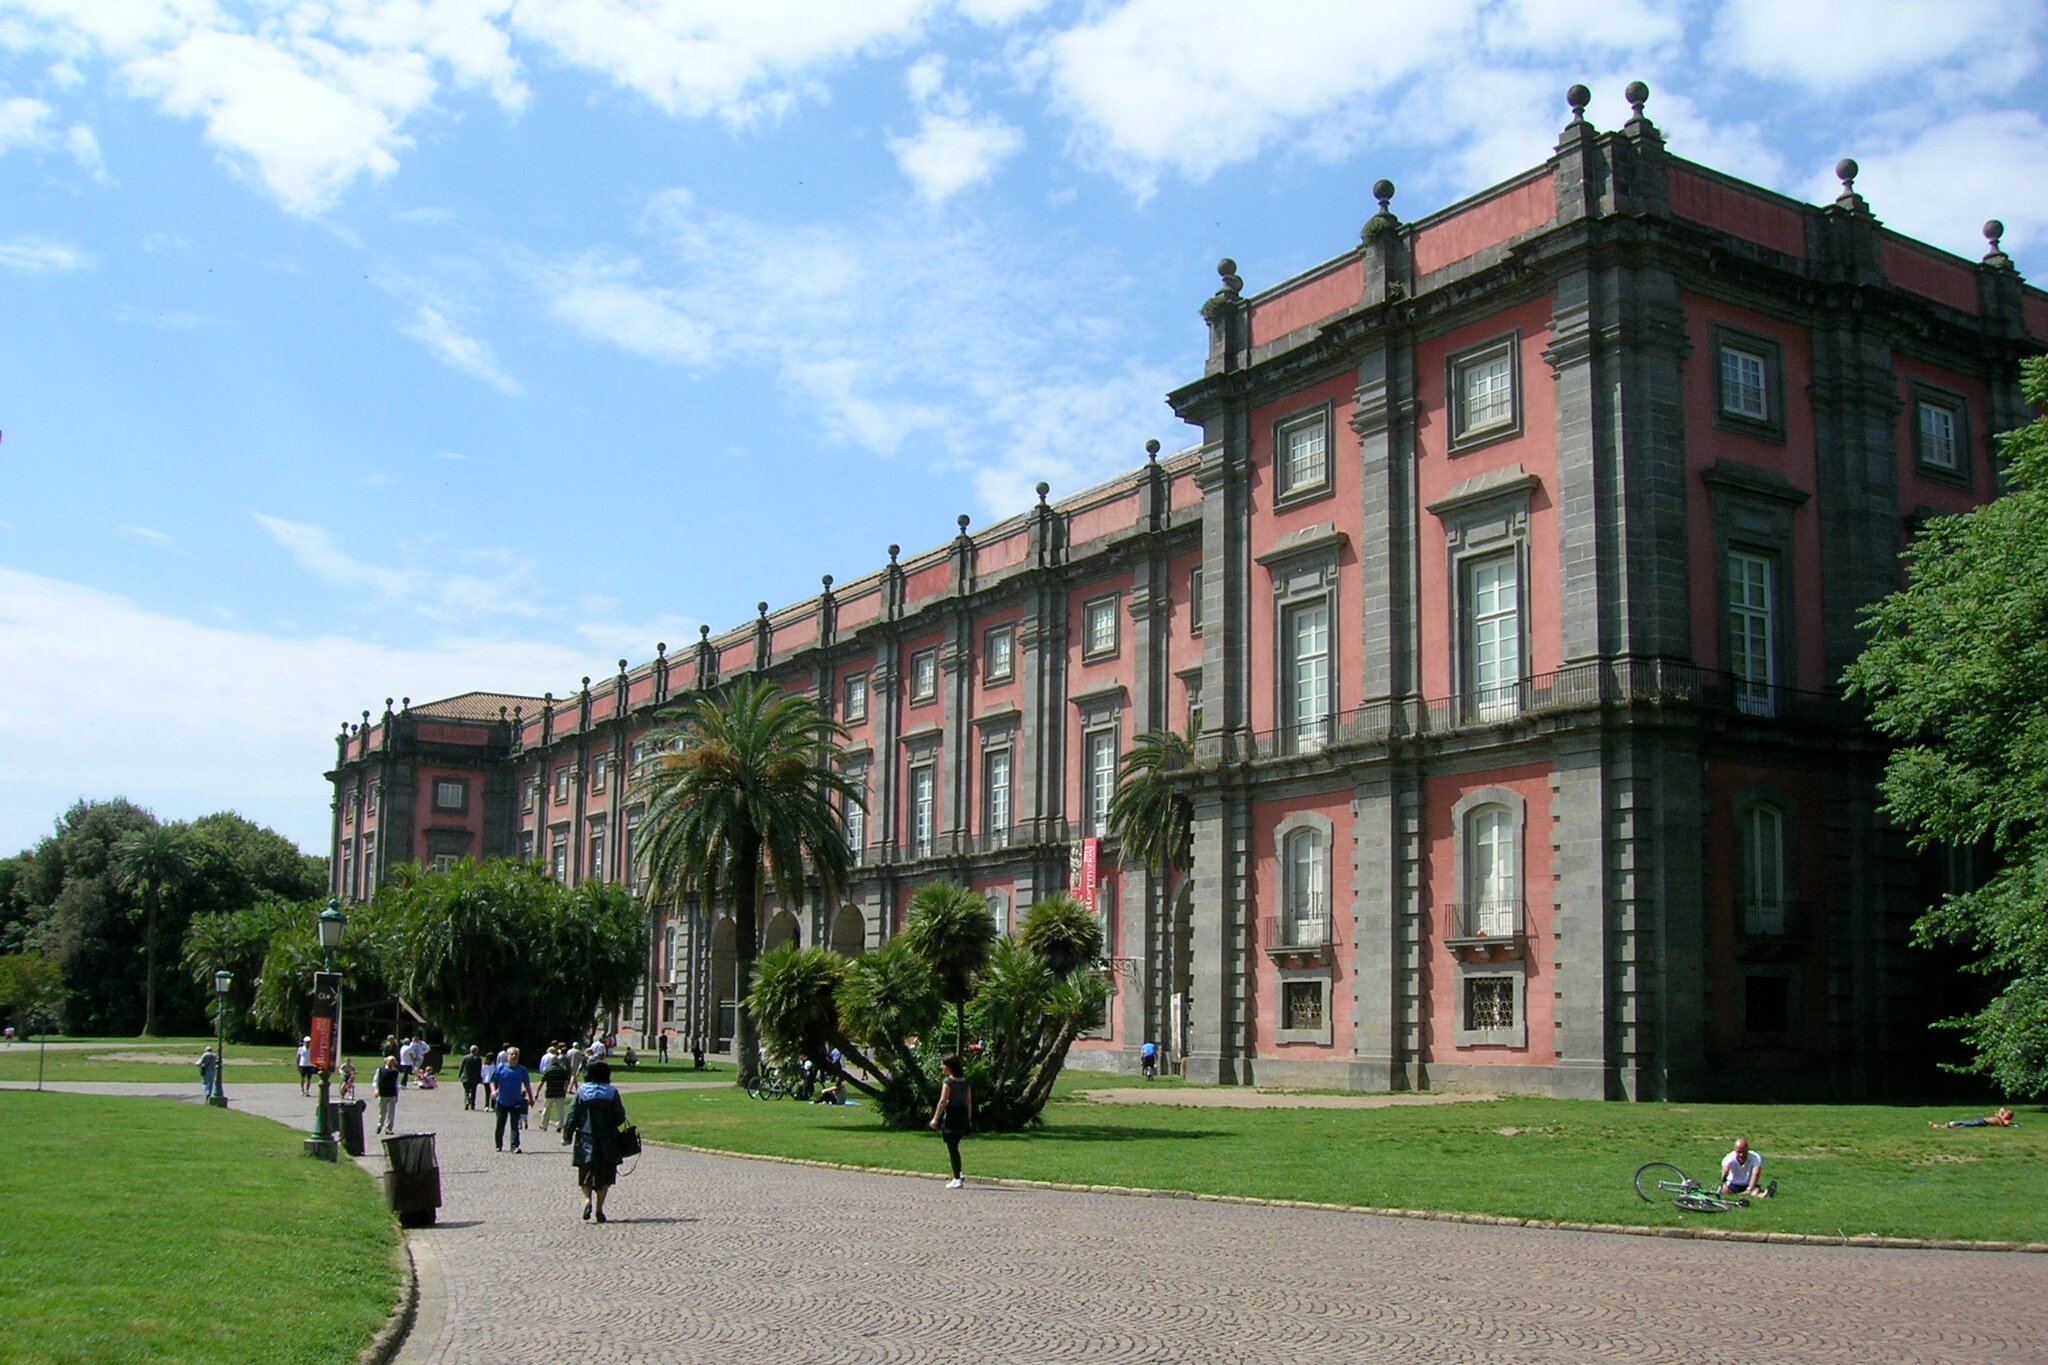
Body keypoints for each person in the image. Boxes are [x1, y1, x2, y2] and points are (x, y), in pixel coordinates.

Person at [562, 1059, 630, 1223]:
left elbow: (572, 1115)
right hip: (608, 1139)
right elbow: (620, 1117)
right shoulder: (612, 1093)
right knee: (606, 1174)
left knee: (585, 1171)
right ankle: (599, 1208)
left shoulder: (582, 1092)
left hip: (586, 1137)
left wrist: (567, 1135)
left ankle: (587, 1200)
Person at [928, 1053, 973, 1189]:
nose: (942, 1067)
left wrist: (935, 1118)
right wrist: (968, 1119)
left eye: (944, 1065)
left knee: (952, 1147)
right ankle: (958, 1171)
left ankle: (957, 1177)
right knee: (955, 1145)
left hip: (952, 1115)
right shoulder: (965, 1082)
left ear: (950, 1067)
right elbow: (969, 1102)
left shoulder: (949, 1082)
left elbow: (943, 1101)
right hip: (962, 1114)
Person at [491, 1046, 535, 1153]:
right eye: (512, 1054)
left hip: (516, 1101)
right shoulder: (501, 1067)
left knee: (515, 1125)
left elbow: (527, 1085)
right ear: (507, 1056)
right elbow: (493, 1081)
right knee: (500, 1124)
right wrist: (493, 1091)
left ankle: (515, 1146)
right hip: (502, 1101)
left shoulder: (522, 1070)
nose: (514, 1056)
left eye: (516, 1055)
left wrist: (531, 1098)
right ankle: (499, 1144)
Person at [539, 1045, 573, 1131]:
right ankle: (560, 1125)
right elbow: (566, 1081)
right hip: (560, 1092)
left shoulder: (548, 1070)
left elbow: (542, 1082)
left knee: (547, 1109)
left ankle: (544, 1125)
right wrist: (565, 1089)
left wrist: (537, 1092)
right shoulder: (562, 1070)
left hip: (550, 1092)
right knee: (560, 1110)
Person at [373, 1054, 401, 1135]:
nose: (391, 1063)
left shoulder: (396, 1072)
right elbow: (376, 1081)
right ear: (386, 1061)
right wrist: (376, 1090)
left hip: (392, 1094)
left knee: (391, 1112)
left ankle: (388, 1128)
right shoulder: (380, 1070)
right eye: (390, 1061)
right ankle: (380, 1125)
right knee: (382, 1112)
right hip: (382, 1093)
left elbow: (397, 1084)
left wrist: (397, 1095)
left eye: (393, 1062)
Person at [1932, 1108, 2018, 1128]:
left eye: (2005, 1113)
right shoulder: (2002, 1118)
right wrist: (2000, 1114)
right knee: (1965, 1123)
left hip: (1983, 1122)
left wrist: (1999, 1117)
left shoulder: (2006, 1121)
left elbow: (2003, 1125)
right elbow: (2002, 1109)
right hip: (1981, 1120)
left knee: (1965, 1125)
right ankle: (1943, 1126)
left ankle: (1944, 1126)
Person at [458, 1045, 484, 1110]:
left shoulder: (465, 1058)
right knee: (473, 1091)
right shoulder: (478, 1059)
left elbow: (461, 1067)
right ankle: (472, 1104)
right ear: (476, 1051)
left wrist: (460, 1075)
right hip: (474, 1078)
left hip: (465, 1077)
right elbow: (479, 1069)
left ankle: (467, 1101)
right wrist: (480, 1077)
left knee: (466, 1091)